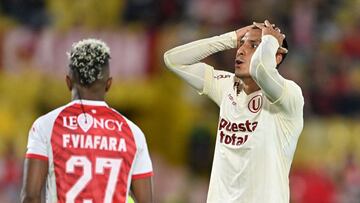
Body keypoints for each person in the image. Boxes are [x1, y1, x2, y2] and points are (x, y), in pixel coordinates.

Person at [164, 19, 304, 203]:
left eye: (253, 45)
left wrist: (270, 41)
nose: (241, 50)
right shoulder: (226, 86)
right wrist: (230, 38)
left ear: (276, 57)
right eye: (241, 44)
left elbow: (261, 70)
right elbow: (173, 60)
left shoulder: (289, 96)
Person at [21, 39, 154, 203]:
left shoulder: (45, 125)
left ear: (68, 82)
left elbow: (31, 197)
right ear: (109, 84)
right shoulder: (134, 133)